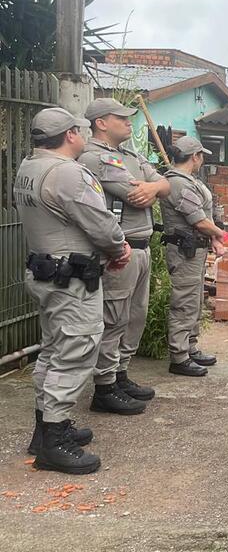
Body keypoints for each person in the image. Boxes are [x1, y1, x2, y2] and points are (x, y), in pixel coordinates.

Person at [14, 107, 131, 475]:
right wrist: (118, 248)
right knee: (75, 352)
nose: (82, 136)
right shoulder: (67, 173)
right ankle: (54, 443)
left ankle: (47, 427)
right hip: (71, 280)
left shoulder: (28, 168)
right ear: (69, 136)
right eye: (79, 131)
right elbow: (101, 224)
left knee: (51, 351)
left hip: (46, 273)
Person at [79, 98, 169, 414]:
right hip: (120, 249)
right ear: (101, 122)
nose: (129, 122)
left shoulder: (129, 154)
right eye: (122, 118)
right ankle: (104, 387)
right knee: (114, 317)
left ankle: (120, 373)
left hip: (142, 246)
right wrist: (153, 187)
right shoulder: (93, 157)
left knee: (135, 316)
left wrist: (155, 187)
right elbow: (134, 193)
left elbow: (164, 184)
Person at [159, 136, 225, 377]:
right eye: (201, 155)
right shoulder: (177, 183)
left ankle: (190, 347)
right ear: (195, 156)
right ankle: (179, 355)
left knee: (194, 299)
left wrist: (214, 236)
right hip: (184, 251)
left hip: (195, 249)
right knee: (184, 302)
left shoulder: (188, 181)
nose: (202, 160)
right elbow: (197, 219)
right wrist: (220, 235)